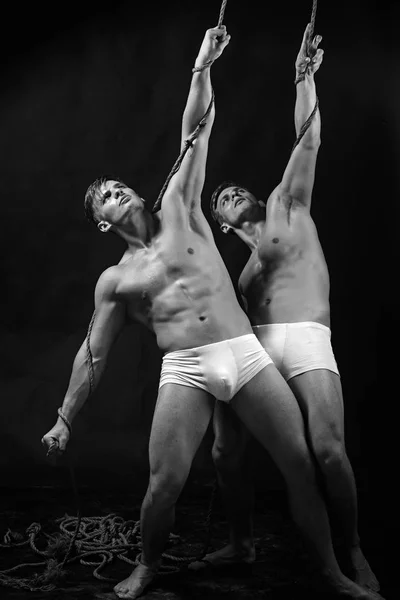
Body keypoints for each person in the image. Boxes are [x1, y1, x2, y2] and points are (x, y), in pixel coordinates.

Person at [41, 25, 383, 600]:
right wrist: (65, 418)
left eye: (120, 185)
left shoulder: (179, 205)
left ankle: (332, 570)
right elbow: (94, 354)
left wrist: (202, 68)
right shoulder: (116, 280)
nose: (118, 190)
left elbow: (195, 131)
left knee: (301, 465)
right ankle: (147, 567)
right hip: (187, 367)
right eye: (106, 194)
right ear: (102, 221)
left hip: (244, 351)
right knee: (163, 486)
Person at [204, 22, 380, 594]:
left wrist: (304, 78)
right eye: (219, 201)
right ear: (223, 226)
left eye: (232, 190)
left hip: (306, 334)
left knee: (329, 451)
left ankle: (351, 547)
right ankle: (241, 541)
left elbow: (308, 138)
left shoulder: (286, 204)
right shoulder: (242, 269)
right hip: (255, 344)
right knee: (226, 451)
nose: (228, 195)